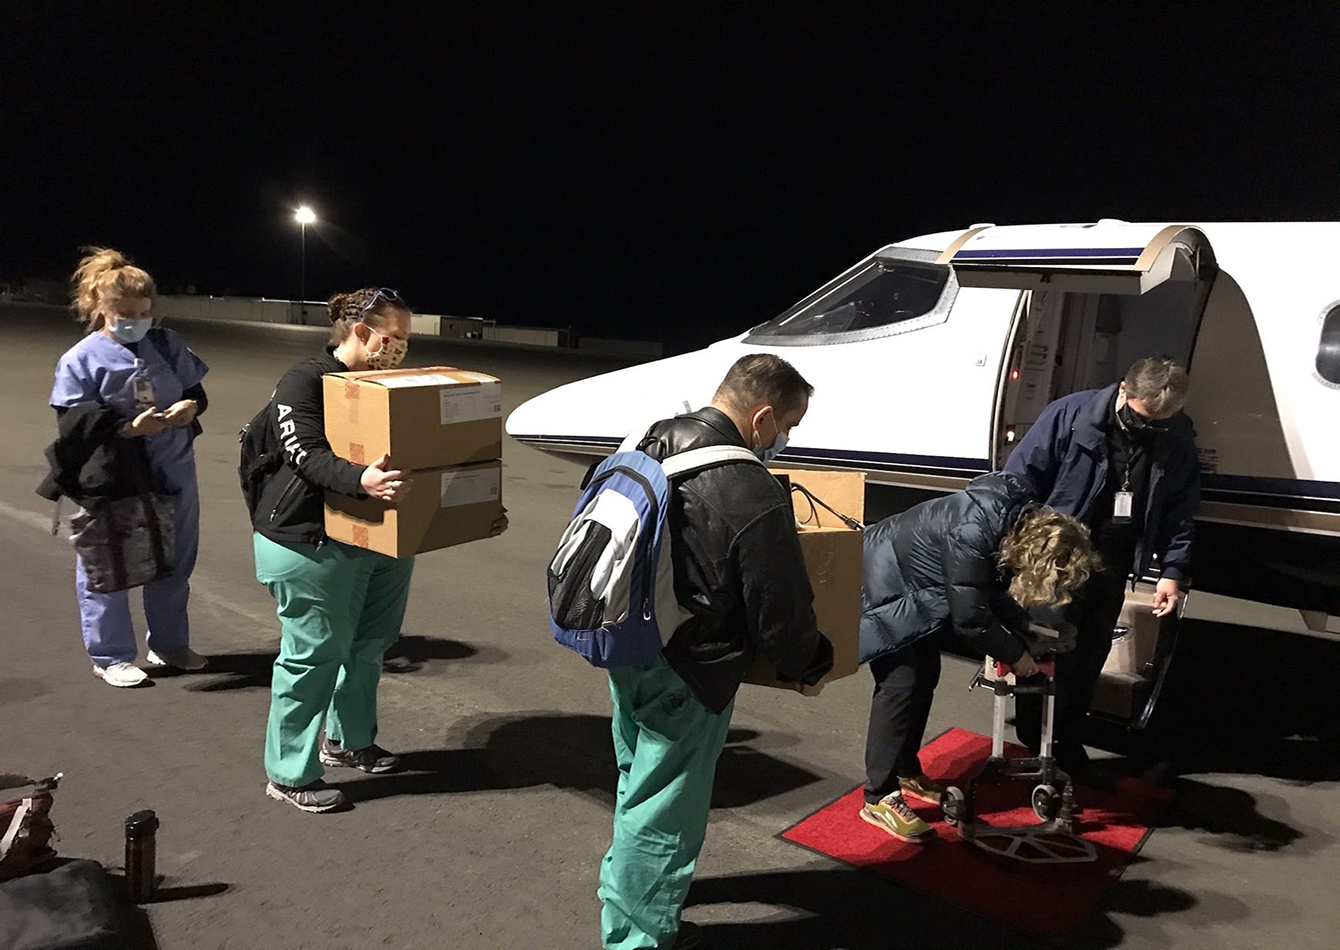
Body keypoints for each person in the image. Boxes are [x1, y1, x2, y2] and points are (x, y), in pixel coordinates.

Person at [599, 354, 834, 950]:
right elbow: (781, 615)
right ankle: (637, 937)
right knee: (665, 810)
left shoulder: (653, 438)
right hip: (689, 669)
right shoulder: (750, 489)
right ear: (761, 418)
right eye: (787, 426)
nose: (784, 440)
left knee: (637, 781)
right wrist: (812, 665)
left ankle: (628, 905)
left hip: (628, 641)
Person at [251, 287, 509, 813]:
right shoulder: (304, 380)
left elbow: (436, 455)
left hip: (381, 534)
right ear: (361, 331)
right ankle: (289, 772)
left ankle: (348, 740)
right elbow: (304, 451)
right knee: (313, 655)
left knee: (370, 644)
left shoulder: (394, 386)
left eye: (407, 340)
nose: (401, 350)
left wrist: (474, 508)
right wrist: (359, 478)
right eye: (395, 338)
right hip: (310, 538)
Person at [858, 472, 1099, 841]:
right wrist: (1017, 654)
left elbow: (988, 590)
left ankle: (905, 770)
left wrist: (1026, 627)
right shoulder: (974, 530)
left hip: (912, 584)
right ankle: (879, 797)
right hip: (885, 581)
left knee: (925, 674)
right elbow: (970, 617)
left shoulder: (1010, 521)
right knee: (901, 682)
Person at [1004, 356, 1199, 779]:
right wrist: (1018, 553)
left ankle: (1066, 740)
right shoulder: (1070, 415)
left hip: (1111, 562)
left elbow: (1180, 509)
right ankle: (1034, 739)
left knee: (1088, 655)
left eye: (1164, 422)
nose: (1152, 429)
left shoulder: (1175, 432)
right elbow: (1018, 481)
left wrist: (1172, 571)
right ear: (1124, 391)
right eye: (1145, 419)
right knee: (1042, 648)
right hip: (1055, 560)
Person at [47, 248, 209, 687]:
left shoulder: (167, 344)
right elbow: (72, 425)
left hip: (173, 469)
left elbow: (198, 392)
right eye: (125, 312)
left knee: (175, 559)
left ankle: (170, 644)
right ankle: (111, 654)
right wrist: (124, 428)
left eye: (144, 312)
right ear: (103, 308)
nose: (136, 320)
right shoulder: (80, 359)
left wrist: (190, 408)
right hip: (116, 477)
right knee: (108, 563)